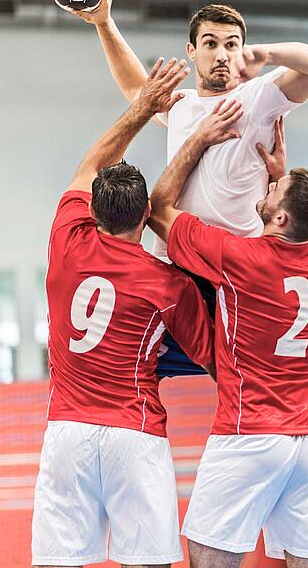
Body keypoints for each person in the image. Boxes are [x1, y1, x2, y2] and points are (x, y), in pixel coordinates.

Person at [73, 0, 308, 567]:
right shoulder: (184, 106)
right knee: (128, 381)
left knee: (299, 401)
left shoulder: (261, 94)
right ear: (192, 51)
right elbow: (138, 88)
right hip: (174, 277)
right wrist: (105, 24)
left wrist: (263, 56)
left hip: (236, 279)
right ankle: (137, 507)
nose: (222, 54)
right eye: (211, 43)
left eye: (231, 43)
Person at [32, 58, 216, 568]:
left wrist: (142, 109)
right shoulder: (169, 283)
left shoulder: (67, 240)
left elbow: (90, 164)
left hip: (67, 430)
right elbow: (214, 359)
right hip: (133, 435)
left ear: (93, 209)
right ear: (144, 218)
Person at [147, 104, 308, 567]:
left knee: (207, 557)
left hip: (249, 431)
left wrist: (196, 139)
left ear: (280, 218)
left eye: (274, 188)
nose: (269, 183)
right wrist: (283, 178)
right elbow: (302, 221)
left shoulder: (239, 258)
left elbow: (160, 209)